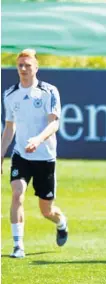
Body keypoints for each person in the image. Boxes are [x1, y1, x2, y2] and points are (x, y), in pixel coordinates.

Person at [1, 49, 68, 258]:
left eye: (27, 65)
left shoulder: (48, 92)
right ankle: (18, 245)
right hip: (21, 155)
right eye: (20, 65)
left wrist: (38, 140)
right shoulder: (10, 94)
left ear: (36, 68)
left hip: (45, 158)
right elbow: (9, 127)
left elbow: (54, 123)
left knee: (46, 210)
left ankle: (61, 222)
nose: (23, 69)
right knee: (17, 193)